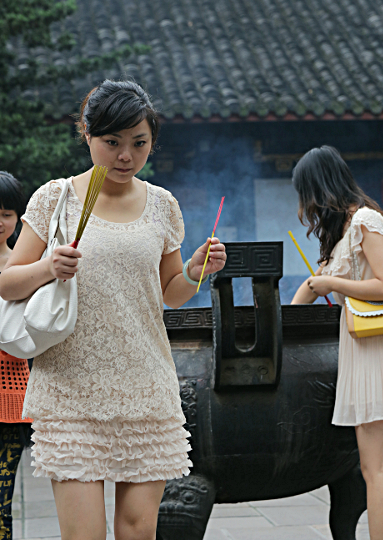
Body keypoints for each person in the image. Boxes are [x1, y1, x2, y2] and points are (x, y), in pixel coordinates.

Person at [0, 80, 227, 540]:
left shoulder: (162, 205)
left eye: (139, 143)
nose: (126, 155)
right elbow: (7, 283)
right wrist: (48, 267)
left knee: (136, 530)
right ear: (87, 134)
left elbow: (170, 292)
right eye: (112, 142)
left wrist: (197, 270)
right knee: (83, 534)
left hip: (146, 387)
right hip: (70, 391)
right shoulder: (54, 198)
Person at [291, 145, 383, 540]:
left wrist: (332, 283)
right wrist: (315, 285)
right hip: (377, 349)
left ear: (319, 187)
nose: (306, 206)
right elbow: (306, 294)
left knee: (378, 471)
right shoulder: (345, 235)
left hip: (376, 352)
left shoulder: (365, 222)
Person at [0, 171, 31, 539]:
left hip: (11, 398)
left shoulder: (24, 267)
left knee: (2, 501)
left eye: (7, 212)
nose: (0, 220)